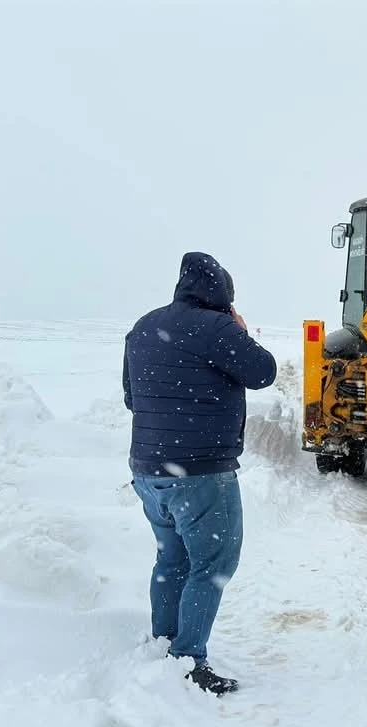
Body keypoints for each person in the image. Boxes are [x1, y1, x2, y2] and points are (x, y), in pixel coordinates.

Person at [123, 251, 277, 695]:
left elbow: (132, 397)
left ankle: (165, 642)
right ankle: (189, 660)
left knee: (171, 558)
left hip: (149, 472)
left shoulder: (143, 327)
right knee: (213, 562)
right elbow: (263, 372)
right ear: (223, 294)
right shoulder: (218, 327)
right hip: (201, 473)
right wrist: (241, 332)